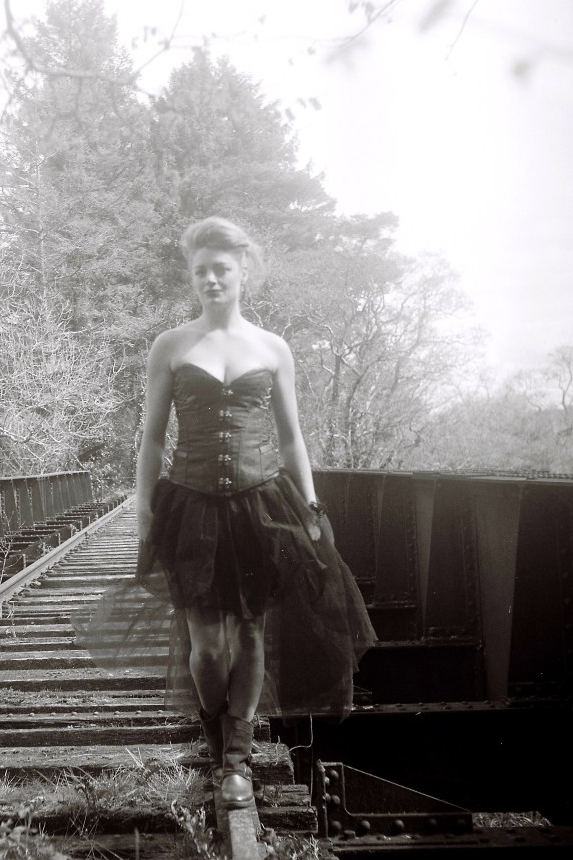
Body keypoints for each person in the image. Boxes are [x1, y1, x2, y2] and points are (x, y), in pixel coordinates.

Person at [74, 215, 375, 809]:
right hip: (190, 508)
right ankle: (220, 740)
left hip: (263, 506)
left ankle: (234, 760)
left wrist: (311, 504)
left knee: (252, 633)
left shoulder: (272, 348)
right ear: (191, 277)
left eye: (222, 270)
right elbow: (153, 440)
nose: (211, 279)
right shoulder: (172, 346)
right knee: (207, 647)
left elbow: (292, 440)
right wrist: (143, 508)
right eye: (200, 271)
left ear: (243, 273)